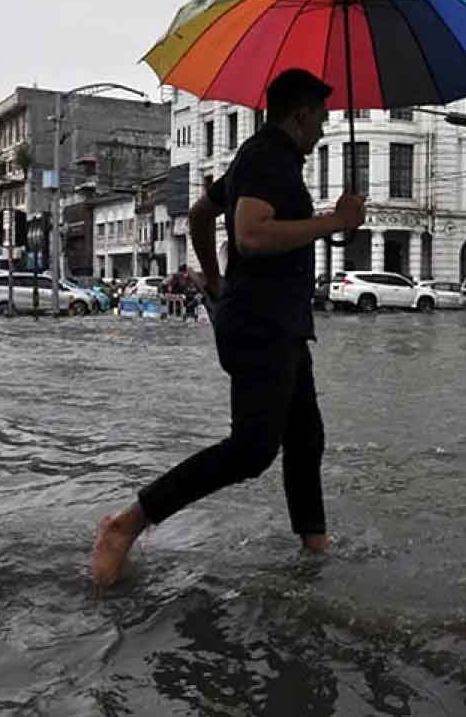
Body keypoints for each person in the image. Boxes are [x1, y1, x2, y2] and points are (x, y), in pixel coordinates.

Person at [90, 69, 367, 587]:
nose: (326, 130)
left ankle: (315, 547)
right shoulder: (269, 159)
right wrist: (335, 221)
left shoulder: (259, 156)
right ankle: (125, 525)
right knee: (252, 450)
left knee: (306, 439)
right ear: (302, 114)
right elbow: (252, 235)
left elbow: (199, 214)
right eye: (323, 118)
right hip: (263, 323)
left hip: (276, 321)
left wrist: (216, 282)